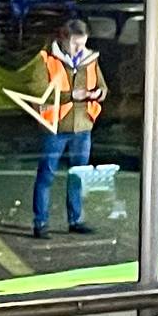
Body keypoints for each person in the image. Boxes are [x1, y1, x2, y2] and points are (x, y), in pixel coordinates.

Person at [31, 18, 105, 238]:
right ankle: (40, 223)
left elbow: (102, 85)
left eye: (83, 43)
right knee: (46, 175)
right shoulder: (45, 59)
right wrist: (71, 95)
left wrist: (99, 93)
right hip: (55, 126)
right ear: (63, 39)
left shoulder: (90, 60)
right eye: (75, 44)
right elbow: (38, 91)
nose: (79, 49)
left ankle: (76, 220)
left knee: (78, 176)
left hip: (82, 126)